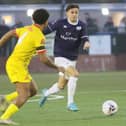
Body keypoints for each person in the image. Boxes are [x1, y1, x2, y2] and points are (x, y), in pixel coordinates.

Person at [0, 9, 64, 125]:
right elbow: (44, 59)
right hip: (17, 65)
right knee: (24, 95)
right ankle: (4, 117)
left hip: (17, 65)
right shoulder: (39, 36)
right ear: (46, 22)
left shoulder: (26, 29)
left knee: (33, 91)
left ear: (33, 19)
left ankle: (5, 99)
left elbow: (10, 33)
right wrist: (57, 67)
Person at [39, 4, 90, 112]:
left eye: (76, 12)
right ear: (67, 13)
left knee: (61, 86)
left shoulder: (82, 25)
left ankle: (46, 93)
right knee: (75, 74)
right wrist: (34, 32)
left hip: (72, 58)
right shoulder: (60, 23)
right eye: (72, 12)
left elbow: (85, 37)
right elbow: (45, 31)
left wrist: (86, 43)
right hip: (60, 57)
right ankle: (70, 103)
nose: (74, 14)